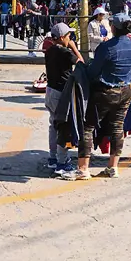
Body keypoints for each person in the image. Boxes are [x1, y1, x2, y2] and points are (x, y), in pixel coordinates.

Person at [62, 13, 131, 181]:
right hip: (127, 90)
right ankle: (113, 167)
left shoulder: (106, 47)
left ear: (113, 28)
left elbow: (93, 72)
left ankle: (83, 169)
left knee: (88, 126)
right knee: (117, 127)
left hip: (106, 91)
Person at [43, 23, 82, 172]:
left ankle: (53, 157)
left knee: (53, 125)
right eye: (68, 36)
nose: (70, 38)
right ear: (61, 37)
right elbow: (81, 63)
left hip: (50, 91)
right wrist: (73, 47)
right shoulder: (64, 52)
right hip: (61, 94)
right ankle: (62, 161)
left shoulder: (50, 50)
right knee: (63, 127)